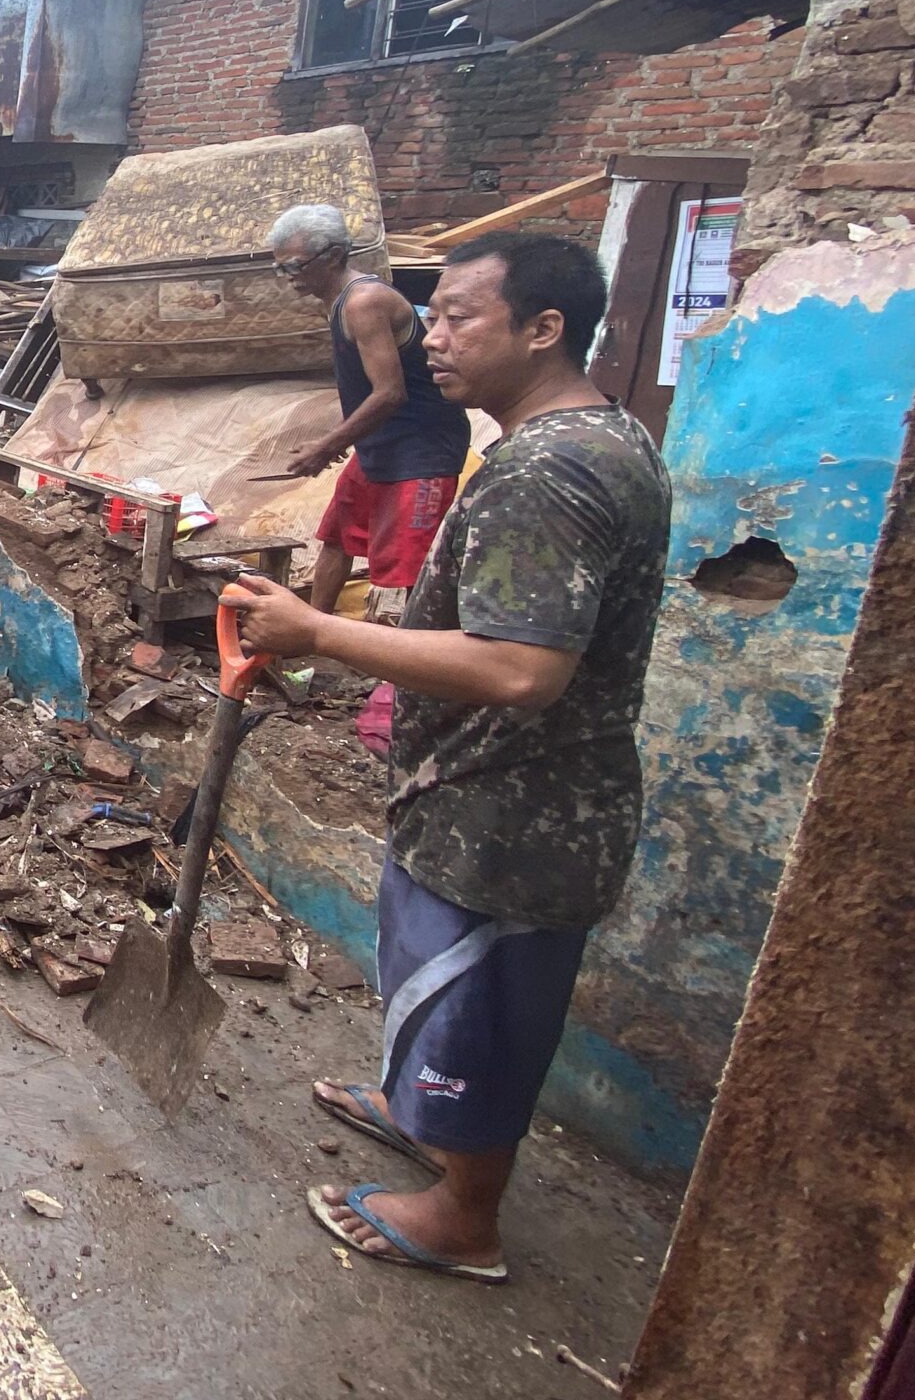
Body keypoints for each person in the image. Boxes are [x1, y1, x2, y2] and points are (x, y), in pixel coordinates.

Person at [222, 233, 669, 1284]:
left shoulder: (552, 471)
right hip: (477, 795)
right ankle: (420, 1105)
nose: (432, 337)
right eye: (435, 314)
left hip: (515, 813)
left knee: (481, 1007)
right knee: (441, 992)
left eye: (462, 315)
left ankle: (464, 1217)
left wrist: (319, 633)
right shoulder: (594, 438)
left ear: (543, 328)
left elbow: (522, 670)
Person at [270, 203, 470, 621]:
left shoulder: (364, 302)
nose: (289, 279)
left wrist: (328, 445)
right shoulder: (336, 302)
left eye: (295, 267)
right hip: (381, 441)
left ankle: (416, 665)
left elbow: (390, 393)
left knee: (419, 564)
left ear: (334, 256)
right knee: (338, 537)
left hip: (422, 447)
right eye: (282, 268)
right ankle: (309, 632)